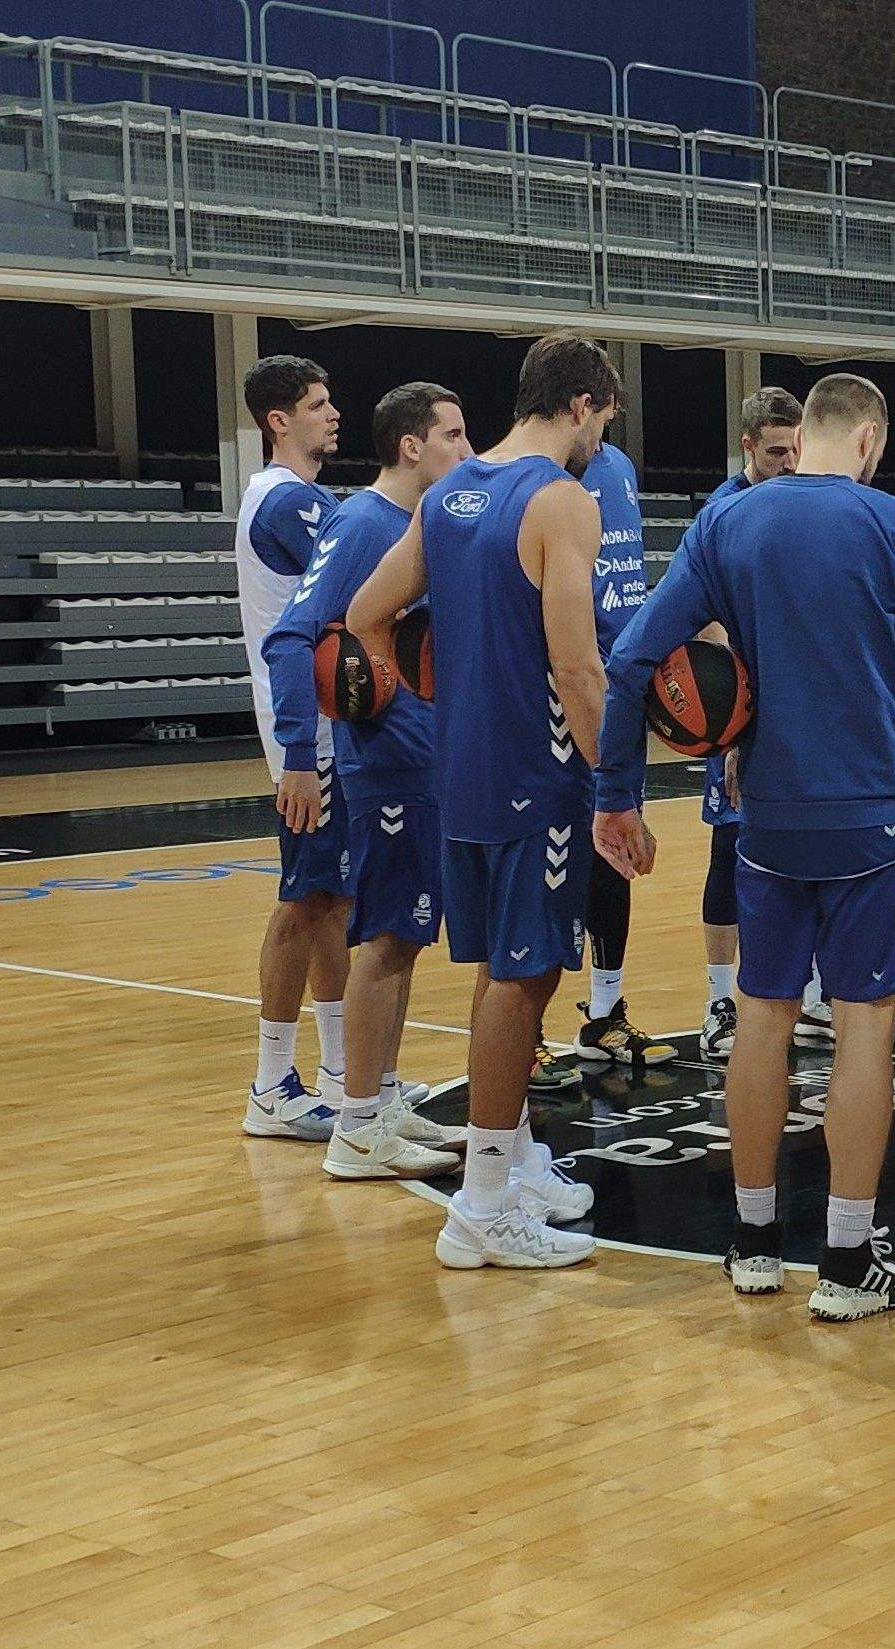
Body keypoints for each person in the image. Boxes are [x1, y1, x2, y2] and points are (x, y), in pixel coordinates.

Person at [596, 373, 895, 1321]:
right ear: (871, 437)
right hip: (872, 814)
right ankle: (847, 1263)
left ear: (799, 436)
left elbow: (634, 657)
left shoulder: (732, 521)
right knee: (863, 1025)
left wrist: (616, 794)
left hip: (765, 814)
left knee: (761, 1018)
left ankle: (755, 1241)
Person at [348, 332, 630, 1271]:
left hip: (458, 772)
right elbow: (578, 664)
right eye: (605, 422)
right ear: (583, 404)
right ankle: (478, 1212)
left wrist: (424, 700)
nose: (602, 444)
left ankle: (505, 1168)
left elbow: (364, 617)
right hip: (536, 774)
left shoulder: (448, 495)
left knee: (510, 976)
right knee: (520, 980)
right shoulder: (561, 499)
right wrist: (616, 789)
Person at [261, 382, 474, 1179]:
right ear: (412, 446)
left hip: (423, 759)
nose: (467, 449)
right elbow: (291, 639)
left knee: (408, 934)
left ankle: (378, 1099)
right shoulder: (361, 523)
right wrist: (297, 754)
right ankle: (356, 1124)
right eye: (452, 435)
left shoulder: (422, 527)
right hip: (382, 762)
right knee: (386, 934)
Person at [234, 355, 352, 1142]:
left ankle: (346, 1072)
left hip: (327, 731)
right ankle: (272, 1080)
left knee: (335, 902)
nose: (332, 412)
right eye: (318, 403)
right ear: (279, 421)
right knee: (304, 898)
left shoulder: (290, 497)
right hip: (306, 737)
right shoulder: (286, 501)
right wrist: (301, 755)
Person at [692, 387, 804, 1057]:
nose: (788, 462)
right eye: (775, 451)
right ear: (747, 446)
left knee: (807, 852)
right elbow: (705, 621)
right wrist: (732, 725)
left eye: (796, 449)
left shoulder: (807, 501)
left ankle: (813, 993)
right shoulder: (721, 513)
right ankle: (719, 1000)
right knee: (727, 852)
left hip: (804, 707)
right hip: (741, 707)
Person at [571, 435, 657, 1071]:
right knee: (549, 865)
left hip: (622, 690)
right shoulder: (544, 474)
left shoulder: (620, 465)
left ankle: (606, 1011)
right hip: (568, 688)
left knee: (615, 857)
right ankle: (524, 1035)